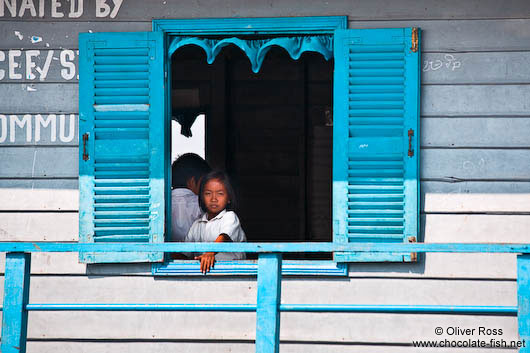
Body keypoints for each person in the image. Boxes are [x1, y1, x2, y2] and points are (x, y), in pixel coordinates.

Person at [185, 171, 246, 273]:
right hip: (203, 275)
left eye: (220, 194)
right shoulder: (197, 225)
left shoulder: (229, 217)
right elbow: (185, 253)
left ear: (229, 198)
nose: (214, 199)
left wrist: (210, 253)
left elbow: (224, 237)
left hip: (231, 274)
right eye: (208, 193)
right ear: (202, 197)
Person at [170, 153, 211, 242]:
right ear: (192, 182)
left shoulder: (163, 202)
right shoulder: (199, 203)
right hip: (195, 254)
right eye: (204, 183)